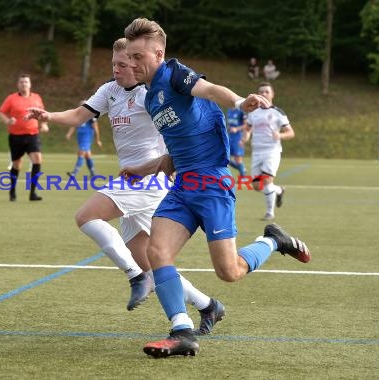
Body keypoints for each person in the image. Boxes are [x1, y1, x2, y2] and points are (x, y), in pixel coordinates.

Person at [123, 18, 311, 358]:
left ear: (158, 54)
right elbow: (174, 155)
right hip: (183, 186)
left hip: (211, 182)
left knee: (230, 271)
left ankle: (273, 240)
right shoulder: (151, 98)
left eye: (138, 56)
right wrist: (142, 169)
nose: (132, 62)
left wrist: (239, 102)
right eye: (129, 56)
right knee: (157, 251)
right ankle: (182, 331)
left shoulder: (176, 74)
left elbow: (210, 91)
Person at [25, 38, 226, 335]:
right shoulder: (110, 90)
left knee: (86, 216)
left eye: (124, 64)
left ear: (136, 64)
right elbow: (80, 115)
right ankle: (208, 305)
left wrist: (172, 160)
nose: (119, 69)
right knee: (154, 267)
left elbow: (180, 124)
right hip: (131, 179)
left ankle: (134, 278)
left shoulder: (152, 94)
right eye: (115, 64)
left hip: (148, 180)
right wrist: (49, 115)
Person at [243, 82, 293, 221]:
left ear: (272, 94)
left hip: (272, 151)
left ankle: (269, 213)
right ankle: (279, 190)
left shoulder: (278, 113)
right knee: (256, 186)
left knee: (266, 181)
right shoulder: (253, 113)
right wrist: (245, 137)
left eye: (267, 91)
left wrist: (280, 135)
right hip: (257, 152)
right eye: (261, 92)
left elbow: (290, 132)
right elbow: (247, 128)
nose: (264, 94)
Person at [0, 73, 49, 202]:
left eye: (26, 82)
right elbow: (1, 112)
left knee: (37, 159)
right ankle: (12, 191)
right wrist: (8, 121)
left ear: (30, 84)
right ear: (18, 84)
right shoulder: (11, 98)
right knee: (17, 164)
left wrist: (44, 124)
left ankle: (33, 193)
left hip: (33, 134)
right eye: (21, 82)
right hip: (16, 136)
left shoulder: (37, 98)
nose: (24, 84)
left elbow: (42, 114)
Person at [65, 101, 102, 177]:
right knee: (87, 155)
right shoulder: (79, 116)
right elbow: (74, 125)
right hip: (80, 138)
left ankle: (74, 173)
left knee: (81, 153)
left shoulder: (91, 116)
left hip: (86, 137)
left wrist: (97, 140)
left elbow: (96, 128)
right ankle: (93, 173)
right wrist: (69, 133)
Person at [226, 107, 247, 176]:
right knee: (226, 158)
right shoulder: (229, 110)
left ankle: (243, 177)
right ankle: (242, 169)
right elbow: (230, 124)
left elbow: (246, 125)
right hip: (230, 137)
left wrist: (236, 129)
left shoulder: (241, 111)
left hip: (238, 137)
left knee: (237, 159)